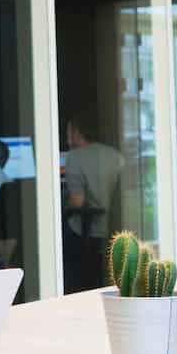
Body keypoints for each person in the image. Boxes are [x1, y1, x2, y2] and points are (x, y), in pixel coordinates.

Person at [62, 115, 125, 293]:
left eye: (68, 130)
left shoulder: (75, 157)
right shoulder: (115, 154)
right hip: (113, 228)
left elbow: (77, 201)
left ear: (76, 132)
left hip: (88, 231)